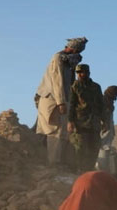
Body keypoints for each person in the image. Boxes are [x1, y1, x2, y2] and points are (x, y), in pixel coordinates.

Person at [35, 37, 88, 167]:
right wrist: (61, 102)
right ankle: (53, 163)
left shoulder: (67, 61)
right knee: (55, 131)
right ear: (74, 49)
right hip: (52, 99)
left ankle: (52, 161)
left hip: (60, 99)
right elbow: (57, 82)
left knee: (61, 132)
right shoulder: (58, 58)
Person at [68, 64, 104, 172]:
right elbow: (71, 104)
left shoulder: (96, 87)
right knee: (81, 148)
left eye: (81, 72)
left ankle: (89, 169)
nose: (79, 75)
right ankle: (81, 170)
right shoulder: (75, 86)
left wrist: (104, 120)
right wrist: (70, 121)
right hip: (81, 122)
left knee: (94, 147)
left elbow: (101, 104)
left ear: (88, 73)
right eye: (78, 73)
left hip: (94, 122)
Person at [96, 85, 117, 172]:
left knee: (106, 148)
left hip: (108, 129)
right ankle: (101, 169)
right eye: (115, 95)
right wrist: (104, 124)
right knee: (103, 148)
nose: (116, 97)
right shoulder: (103, 101)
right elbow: (101, 115)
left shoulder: (109, 102)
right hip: (104, 129)